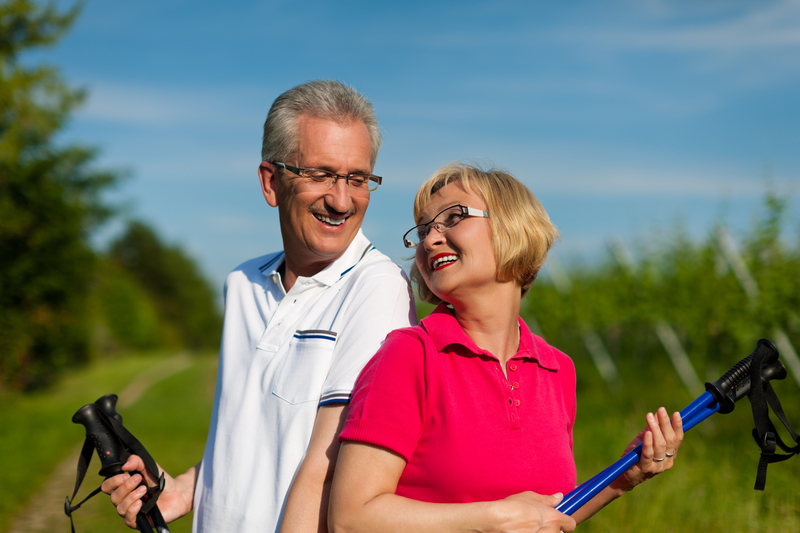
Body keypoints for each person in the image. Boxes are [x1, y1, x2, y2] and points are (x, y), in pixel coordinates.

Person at [101, 80, 417, 533]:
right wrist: (187, 488)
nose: (341, 199)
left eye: (357, 178)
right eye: (321, 174)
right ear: (271, 182)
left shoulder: (378, 288)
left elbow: (333, 471)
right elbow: (249, 435)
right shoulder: (242, 283)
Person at [329, 163, 684, 533]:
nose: (430, 239)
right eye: (422, 230)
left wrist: (623, 477)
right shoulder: (410, 355)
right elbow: (352, 518)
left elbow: (543, 517)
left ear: (513, 225)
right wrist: (489, 520)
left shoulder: (557, 369)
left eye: (453, 217)